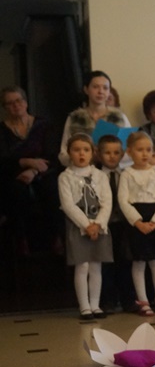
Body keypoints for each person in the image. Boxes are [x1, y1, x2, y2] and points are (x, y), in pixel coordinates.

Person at [58, 133, 113, 319]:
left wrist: (98, 224)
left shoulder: (100, 175)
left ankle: (95, 305)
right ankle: (84, 306)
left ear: (93, 152)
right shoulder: (65, 177)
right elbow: (68, 205)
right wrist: (86, 225)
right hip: (78, 225)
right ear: (69, 153)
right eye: (76, 150)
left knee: (96, 266)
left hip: (99, 224)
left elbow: (107, 202)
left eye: (86, 150)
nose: (81, 154)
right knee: (82, 266)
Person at [117, 132, 155, 317]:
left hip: (154, 218)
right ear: (129, 152)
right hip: (137, 220)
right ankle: (143, 300)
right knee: (139, 261)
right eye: (140, 150)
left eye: (148, 150)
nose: (145, 154)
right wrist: (138, 222)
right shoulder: (127, 174)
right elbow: (123, 201)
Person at [1, 85, 60, 254]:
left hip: (43, 171)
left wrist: (33, 170)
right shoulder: (2, 130)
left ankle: (56, 238)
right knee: (15, 190)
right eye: (10, 103)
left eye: (19, 101)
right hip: (14, 173)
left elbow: (52, 155)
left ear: (26, 102)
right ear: (5, 108)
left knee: (51, 187)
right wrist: (25, 162)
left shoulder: (43, 125)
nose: (16, 105)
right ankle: (21, 240)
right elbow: (3, 160)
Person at [96, 134, 135, 311]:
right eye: (107, 153)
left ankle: (128, 299)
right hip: (104, 225)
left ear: (122, 154)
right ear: (98, 154)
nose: (112, 156)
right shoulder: (95, 176)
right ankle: (108, 300)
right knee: (106, 263)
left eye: (116, 152)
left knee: (125, 261)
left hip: (124, 225)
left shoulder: (127, 174)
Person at [60, 71, 130, 167]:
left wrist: (108, 156)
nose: (101, 91)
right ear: (86, 89)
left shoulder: (119, 117)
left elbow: (130, 151)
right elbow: (63, 153)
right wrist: (83, 157)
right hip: (82, 172)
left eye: (105, 88)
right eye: (95, 87)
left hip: (112, 171)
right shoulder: (75, 118)